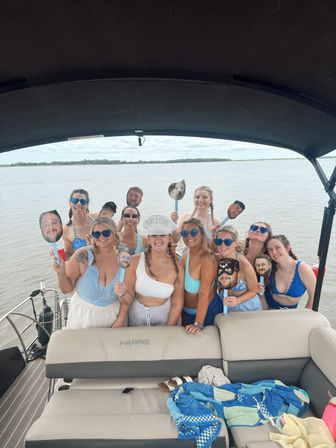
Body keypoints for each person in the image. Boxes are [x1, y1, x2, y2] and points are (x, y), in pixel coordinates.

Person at [52, 216, 129, 328]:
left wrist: (120, 320)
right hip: (83, 319)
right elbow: (66, 289)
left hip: (113, 318)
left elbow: (128, 296)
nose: (101, 237)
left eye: (106, 233)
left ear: (114, 233)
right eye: (96, 234)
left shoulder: (124, 258)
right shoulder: (82, 255)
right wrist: (61, 272)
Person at [114, 215, 184, 326]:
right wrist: (122, 293)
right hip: (137, 317)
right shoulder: (135, 261)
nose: (158, 239)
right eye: (154, 235)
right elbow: (128, 299)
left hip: (165, 318)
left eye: (162, 235)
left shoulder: (177, 268)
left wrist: (169, 329)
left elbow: (177, 302)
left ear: (170, 238)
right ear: (148, 238)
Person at [179, 218, 220, 334]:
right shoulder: (186, 250)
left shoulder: (207, 257)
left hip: (206, 314)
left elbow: (204, 293)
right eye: (184, 233)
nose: (189, 236)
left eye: (193, 232)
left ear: (201, 234)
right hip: (185, 313)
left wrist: (198, 323)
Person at [212, 225, 262, 312]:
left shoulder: (244, 265)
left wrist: (237, 301)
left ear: (235, 243)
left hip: (246, 307)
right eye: (218, 241)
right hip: (225, 306)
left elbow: (253, 291)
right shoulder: (215, 259)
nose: (223, 245)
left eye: (227, 242)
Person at [263, 235, 316, 309]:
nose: (274, 252)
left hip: (290, 313)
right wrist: (265, 310)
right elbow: (260, 291)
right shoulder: (269, 268)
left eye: (277, 247)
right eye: (270, 249)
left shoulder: (303, 269)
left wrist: (305, 316)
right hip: (269, 308)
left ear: (287, 248)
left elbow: (313, 298)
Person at [62, 189, 98, 259]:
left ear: (87, 204)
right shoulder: (66, 229)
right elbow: (70, 255)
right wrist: (58, 254)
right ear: (70, 203)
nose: (78, 204)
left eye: (83, 201)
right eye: (75, 201)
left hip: (103, 266)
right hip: (83, 269)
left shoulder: (97, 218)